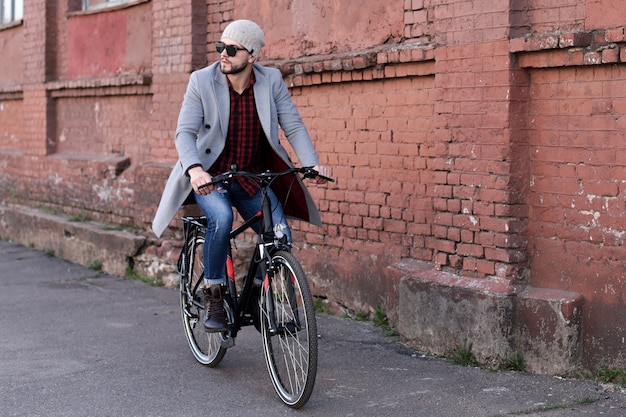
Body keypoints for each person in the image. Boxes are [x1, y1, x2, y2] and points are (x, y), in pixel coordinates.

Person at [152, 20, 329, 332]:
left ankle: (261, 297)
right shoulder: (202, 81)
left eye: (231, 49)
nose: (223, 54)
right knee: (221, 218)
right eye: (221, 47)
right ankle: (214, 294)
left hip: (249, 176)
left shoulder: (270, 81)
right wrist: (194, 170)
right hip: (211, 178)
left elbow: (293, 124)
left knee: (280, 234)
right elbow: (184, 133)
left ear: (253, 56)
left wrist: (311, 163)